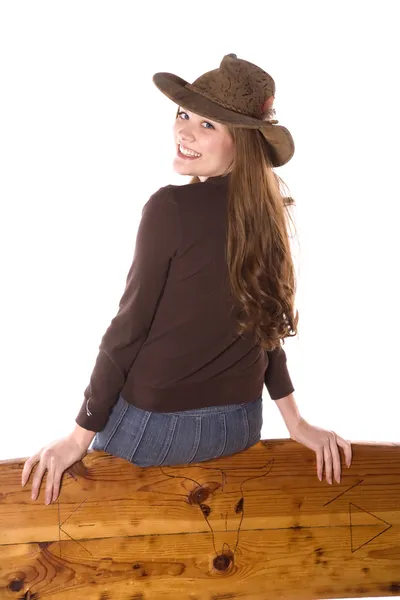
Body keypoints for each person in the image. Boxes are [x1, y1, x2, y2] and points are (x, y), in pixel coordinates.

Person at [21, 54, 352, 505]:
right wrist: (294, 422)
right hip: (239, 425)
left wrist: (77, 439)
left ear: (243, 143)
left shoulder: (169, 209)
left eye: (209, 125)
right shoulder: (266, 210)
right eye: (183, 115)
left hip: (158, 428)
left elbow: (127, 331)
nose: (184, 131)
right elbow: (267, 323)